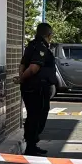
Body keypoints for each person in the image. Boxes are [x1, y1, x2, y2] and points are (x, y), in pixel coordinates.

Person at [15, 23, 58, 156]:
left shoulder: (31, 45)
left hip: (29, 87)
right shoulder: (41, 47)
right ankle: (31, 144)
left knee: (32, 115)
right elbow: (34, 67)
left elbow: (23, 64)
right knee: (38, 116)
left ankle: (31, 144)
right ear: (48, 35)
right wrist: (22, 78)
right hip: (38, 88)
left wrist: (21, 77)